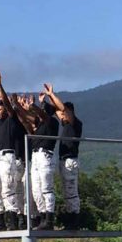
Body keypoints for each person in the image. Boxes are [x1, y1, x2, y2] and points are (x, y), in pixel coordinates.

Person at [44, 83, 83, 229]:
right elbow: (56, 111)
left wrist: (52, 95)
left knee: (71, 191)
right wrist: (47, 100)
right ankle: (71, 220)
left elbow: (62, 110)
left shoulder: (75, 123)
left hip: (70, 160)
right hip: (63, 160)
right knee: (67, 191)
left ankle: (75, 220)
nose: (61, 115)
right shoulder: (65, 125)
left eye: (64, 113)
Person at [0, 71, 23, 231]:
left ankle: (13, 221)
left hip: (8, 157)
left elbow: (9, 107)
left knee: (8, 190)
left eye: (1, 109)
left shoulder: (11, 119)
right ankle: (0, 221)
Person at [18, 94, 59, 230]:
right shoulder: (39, 124)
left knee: (46, 188)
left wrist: (34, 105)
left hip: (45, 155)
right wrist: (17, 105)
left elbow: (43, 114)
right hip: (35, 157)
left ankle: (49, 219)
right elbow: (25, 118)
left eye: (43, 109)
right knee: (36, 190)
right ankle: (42, 217)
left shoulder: (52, 122)